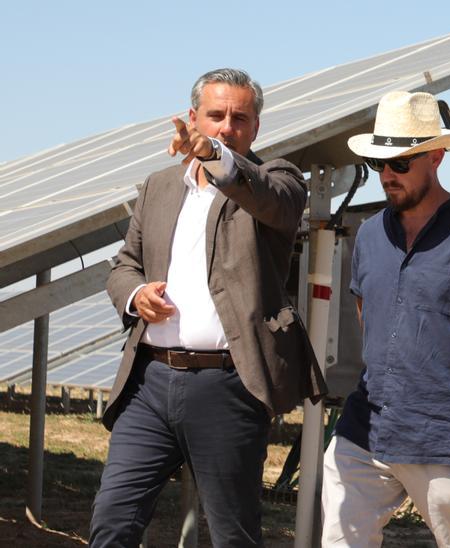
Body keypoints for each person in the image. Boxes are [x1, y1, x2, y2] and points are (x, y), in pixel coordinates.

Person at [93, 68, 326, 546]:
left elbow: (272, 202)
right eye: (216, 116)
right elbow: (124, 265)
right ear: (193, 117)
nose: (226, 127)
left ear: (256, 128)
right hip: (149, 384)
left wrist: (215, 157)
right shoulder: (158, 186)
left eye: (239, 118)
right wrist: (136, 296)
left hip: (228, 386)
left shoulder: (277, 182)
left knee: (232, 534)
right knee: (112, 519)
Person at [320, 91, 450, 548]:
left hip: (443, 432)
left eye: (400, 164)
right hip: (367, 423)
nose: (387, 175)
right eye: (380, 164)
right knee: (341, 538)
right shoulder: (369, 235)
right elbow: (369, 315)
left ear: (436, 156)